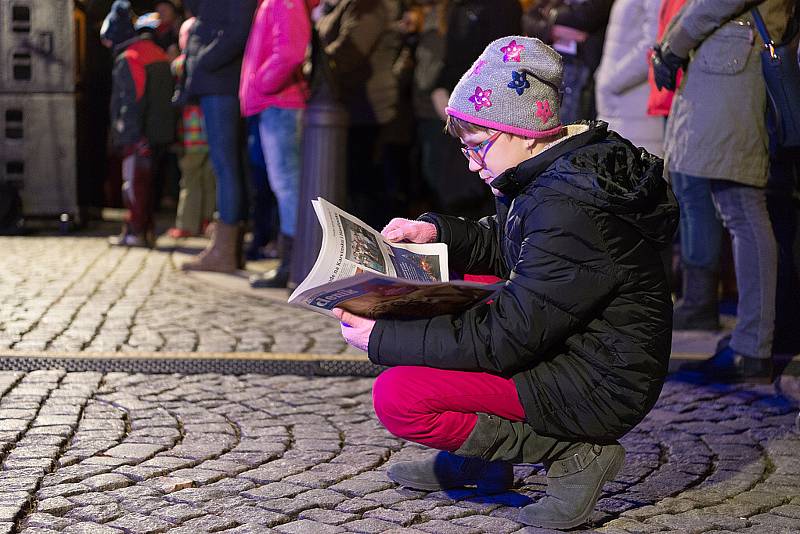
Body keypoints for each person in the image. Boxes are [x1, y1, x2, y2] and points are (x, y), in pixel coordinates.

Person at [332, 36, 679, 529]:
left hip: (597, 381)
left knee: (401, 397)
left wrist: (384, 337)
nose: (472, 163)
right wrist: (437, 233)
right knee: (462, 272)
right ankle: (485, 455)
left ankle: (574, 454)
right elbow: (512, 245)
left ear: (524, 130)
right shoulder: (551, 171)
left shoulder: (567, 206)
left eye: (478, 146)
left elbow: (508, 336)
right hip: (575, 347)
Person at [654, 0, 795, 381]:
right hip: (732, 62)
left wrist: (674, 45)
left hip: (736, 64)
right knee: (739, 205)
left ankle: (752, 348)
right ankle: (752, 343)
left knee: (742, 205)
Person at [240, 0, 319, 288]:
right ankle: (294, 262)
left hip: (279, 103)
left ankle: (295, 264)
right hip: (275, 103)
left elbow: (289, 52)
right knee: (284, 184)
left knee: (287, 185)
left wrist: (261, 83)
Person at [180, 0, 257, 273]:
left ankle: (225, 252)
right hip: (218, 81)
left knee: (226, 166)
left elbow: (238, 30)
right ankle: (228, 249)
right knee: (227, 166)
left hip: (221, 82)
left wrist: (204, 61)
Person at [102, 3, 175, 248]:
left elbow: (132, 101)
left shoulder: (130, 57)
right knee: (150, 184)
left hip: (139, 135)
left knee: (134, 185)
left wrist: (129, 137)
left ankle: (135, 232)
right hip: (160, 133)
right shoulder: (156, 52)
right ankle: (148, 230)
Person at [167, 17, 216, 239]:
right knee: (209, 179)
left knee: (189, 180)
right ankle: (208, 219)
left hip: (190, 135)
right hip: (211, 133)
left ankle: (187, 223)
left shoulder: (180, 64)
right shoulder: (208, 61)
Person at [595, 0, 663, 157]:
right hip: (618, 103)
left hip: (636, 102)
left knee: (636, 172)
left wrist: (610, 83)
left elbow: (653, 44)